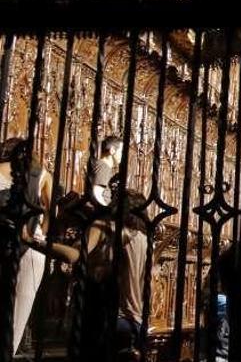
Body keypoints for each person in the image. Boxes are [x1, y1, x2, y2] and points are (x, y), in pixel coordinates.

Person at [30, 189, 147, 359]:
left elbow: (75, 255)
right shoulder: (144, 237)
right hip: (136, 322)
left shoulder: (105, 226)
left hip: (106, 319)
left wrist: (35, 242)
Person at [0, 137, 53, 354]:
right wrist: (40, 233)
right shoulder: (41, 173)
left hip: (3, 238)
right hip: (30, 244)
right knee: (19, 312)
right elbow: (51, 211)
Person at [91, 136, 123, 206]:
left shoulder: (104, 166)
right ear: (112, 151)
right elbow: (97, 193)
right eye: (121, 151)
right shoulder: (104, 167)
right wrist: (106, 210)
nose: (122, 155)